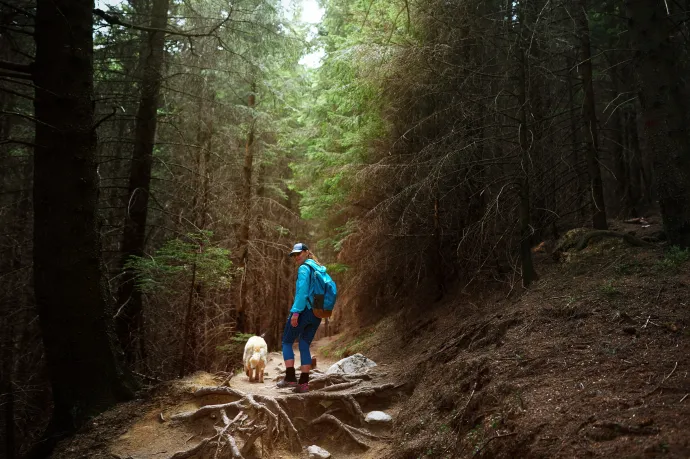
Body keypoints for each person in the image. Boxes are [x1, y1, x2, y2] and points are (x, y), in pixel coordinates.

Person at [277, 242, 324, 393]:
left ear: (306, 252)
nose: (296, 257)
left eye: (299, 253)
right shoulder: (318, 268)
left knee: (286, 342)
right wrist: (316, 312)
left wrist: (296, 312)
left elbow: (302, 293)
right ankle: (304, 383)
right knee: (304, 345)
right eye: (294, 255)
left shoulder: (304, 268)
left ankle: (290, 378)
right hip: (316, 313)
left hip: (303, 311)